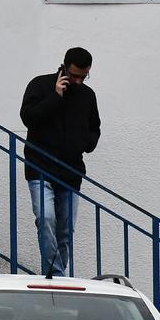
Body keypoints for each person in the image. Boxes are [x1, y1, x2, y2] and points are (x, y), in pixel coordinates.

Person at [19, 47, 101, 278]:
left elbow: (95, 127)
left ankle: (55, 277)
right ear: (64, 67)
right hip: (40, 168)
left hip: (71, 171)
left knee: (65, 231)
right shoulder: (40, 85)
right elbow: (28, 117)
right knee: (45, 219)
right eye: (74, 75)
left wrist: (86, 142)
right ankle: (56, 276)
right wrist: (55, 96)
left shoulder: (87, 95)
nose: (77, 81)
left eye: (83, 77)